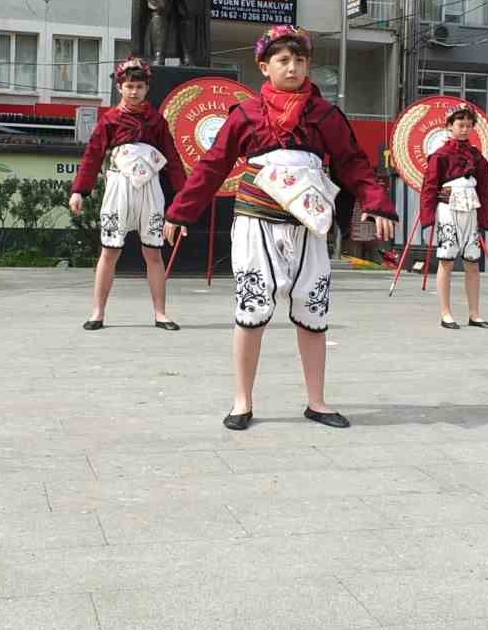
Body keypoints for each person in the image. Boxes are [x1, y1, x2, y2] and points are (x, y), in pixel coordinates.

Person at [164, 25, 396, 430]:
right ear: (264, 67)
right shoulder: (245, 115)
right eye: (283, 60)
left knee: (313, 306)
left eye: (300, 60)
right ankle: (242, 401)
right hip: (256, 220)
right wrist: (180, 212)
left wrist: (379, 205)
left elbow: (354, 163)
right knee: (252, 306)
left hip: (309, 223)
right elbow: (213, 165)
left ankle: (317, 401)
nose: (292, 67)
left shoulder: (326, 115)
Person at [69, 56, 186, 330]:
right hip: (119, 186)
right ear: (120, 87)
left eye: (139, 86)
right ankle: (97, 312)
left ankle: (160, 313)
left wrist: (183, 201)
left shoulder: (157, 121)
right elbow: (92, 156)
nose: (134, 91)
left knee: (154, 253)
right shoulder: (109, 120)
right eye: (129, 86)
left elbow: (173, 160)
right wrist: (79, 191)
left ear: (147, 88)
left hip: (151, 189)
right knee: (110, 251)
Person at [422, 103, 488, 329]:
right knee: (446, 261)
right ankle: (446, 313)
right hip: (448, 210)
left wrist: (486, 216)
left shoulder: (478, 157)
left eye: (468, 125)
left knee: (473, 262)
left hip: (471, 210)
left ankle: (474, 313)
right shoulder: (440, 156)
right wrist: (428, 215)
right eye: (460, 125)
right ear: (450, 126)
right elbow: (429, 187)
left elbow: (484, 188)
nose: (464, 129)